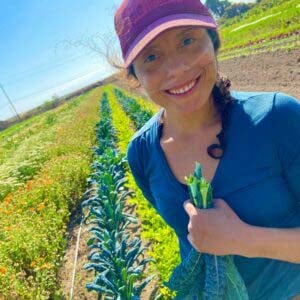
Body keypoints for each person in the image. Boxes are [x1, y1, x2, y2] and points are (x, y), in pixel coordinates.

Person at [114, 0, 300, 299]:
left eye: (188, 40)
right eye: (151, 56)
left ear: (213, 41)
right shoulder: (142, 153)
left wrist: (243, 239)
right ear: (136, 76)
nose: (177, 69)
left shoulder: (277, 118)